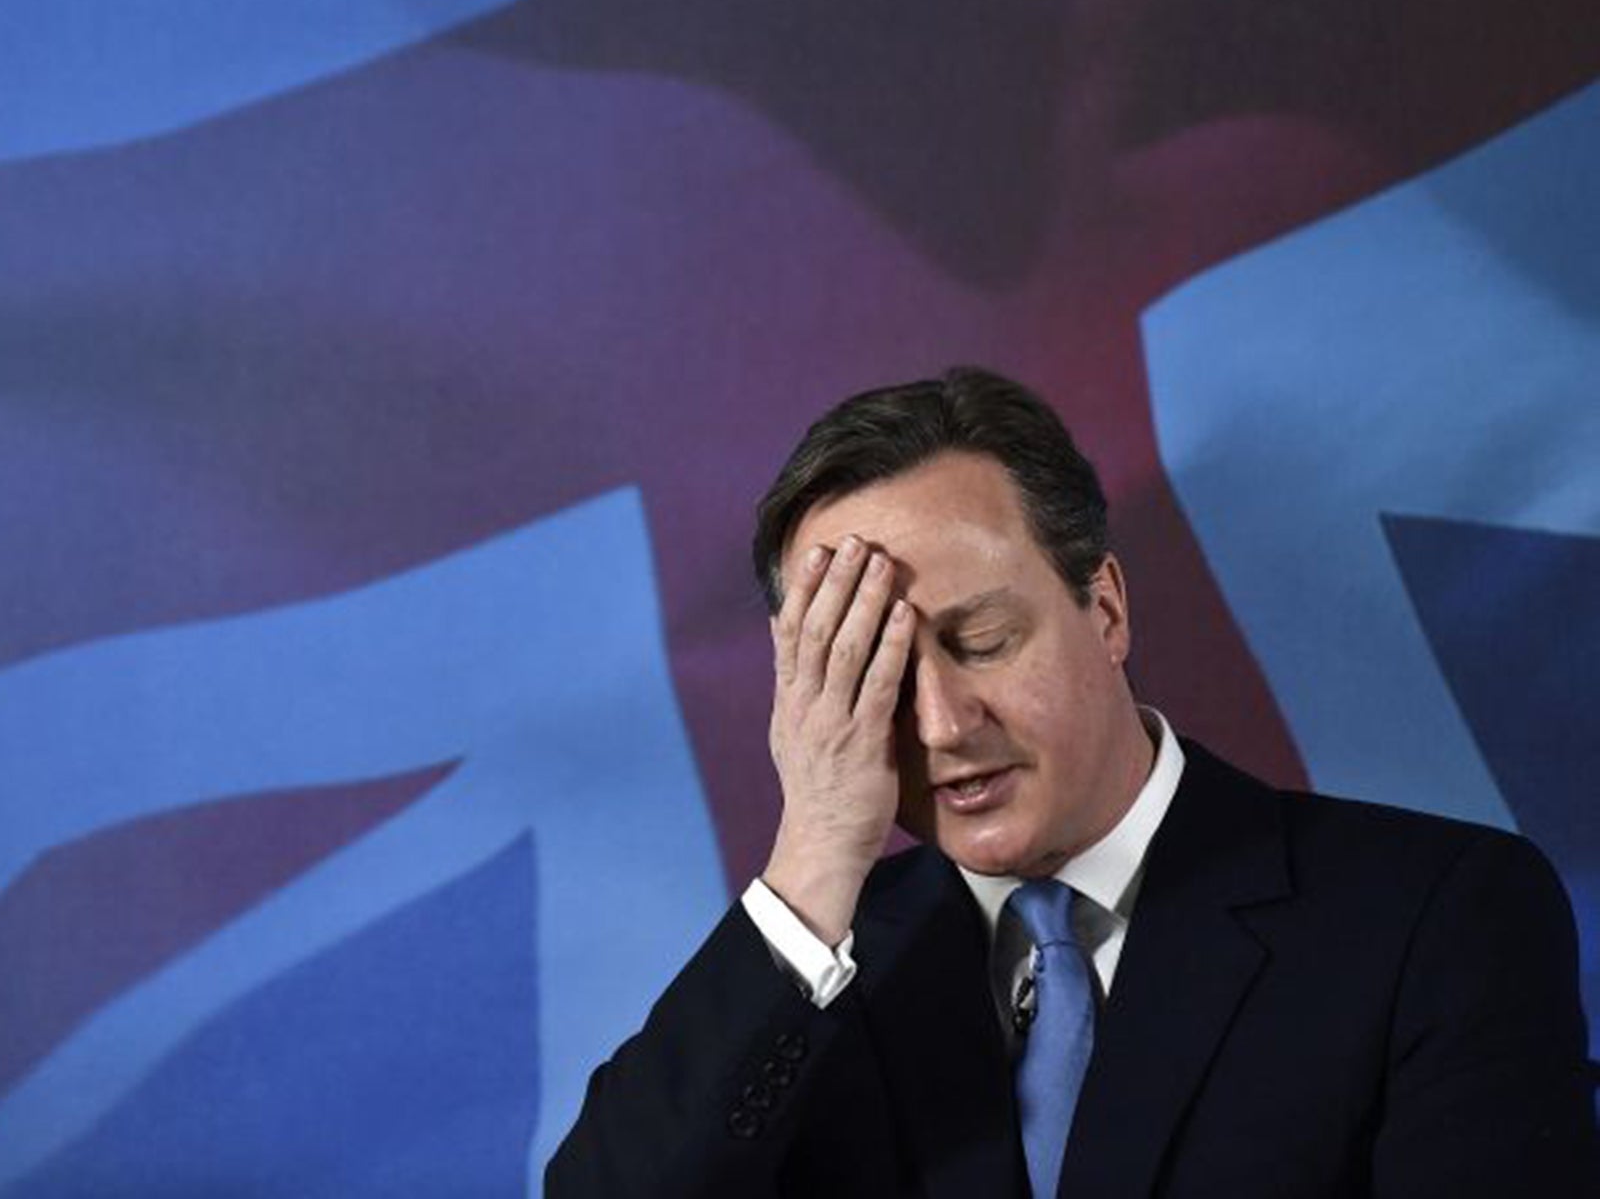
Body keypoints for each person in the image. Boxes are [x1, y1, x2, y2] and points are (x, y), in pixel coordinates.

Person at [548, 367, 1594, 1197]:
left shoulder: (1433, 915)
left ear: (1103, 608)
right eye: (871, 675)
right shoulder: (816, 970)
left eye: (985, 641)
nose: (943, 727)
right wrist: (814, 847)